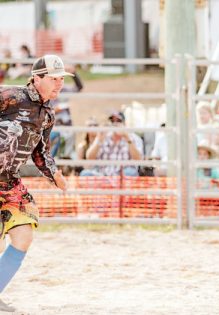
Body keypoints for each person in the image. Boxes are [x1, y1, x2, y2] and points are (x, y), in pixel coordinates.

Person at [0, 54, 69, 311]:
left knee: (23, 237)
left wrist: (54, 174)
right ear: (37, 78)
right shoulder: (11, 96)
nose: (59, 84)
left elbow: (40, 152)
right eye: (54, 79)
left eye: (61, 79)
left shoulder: (47, 114)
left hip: (9, 181)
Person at [82, 111, 144, 176]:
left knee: (130, 172)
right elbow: (89, 157)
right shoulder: (103, 136)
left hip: (123, 174)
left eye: (118, 121)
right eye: (112, 121)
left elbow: (139, 159)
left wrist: (127, 138)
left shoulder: (133, 137)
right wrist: (99, 139)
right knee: (85, 174)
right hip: (103, 174)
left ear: (124, 123)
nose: (115, 123)